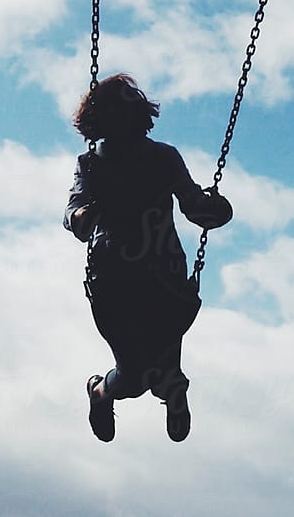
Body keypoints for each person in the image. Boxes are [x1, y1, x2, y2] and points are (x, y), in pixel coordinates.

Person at [64, 73, 232, 443]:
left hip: (163, 275)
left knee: (166, 351)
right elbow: (73, 213)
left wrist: (214, 211)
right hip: (115, 283)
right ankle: (102, 391)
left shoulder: (163, 158)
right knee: (135, 374)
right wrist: (83, 217)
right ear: (102, 122)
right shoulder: (92, 164)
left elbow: (192, 204)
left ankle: (173, 388)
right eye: (115, 117)